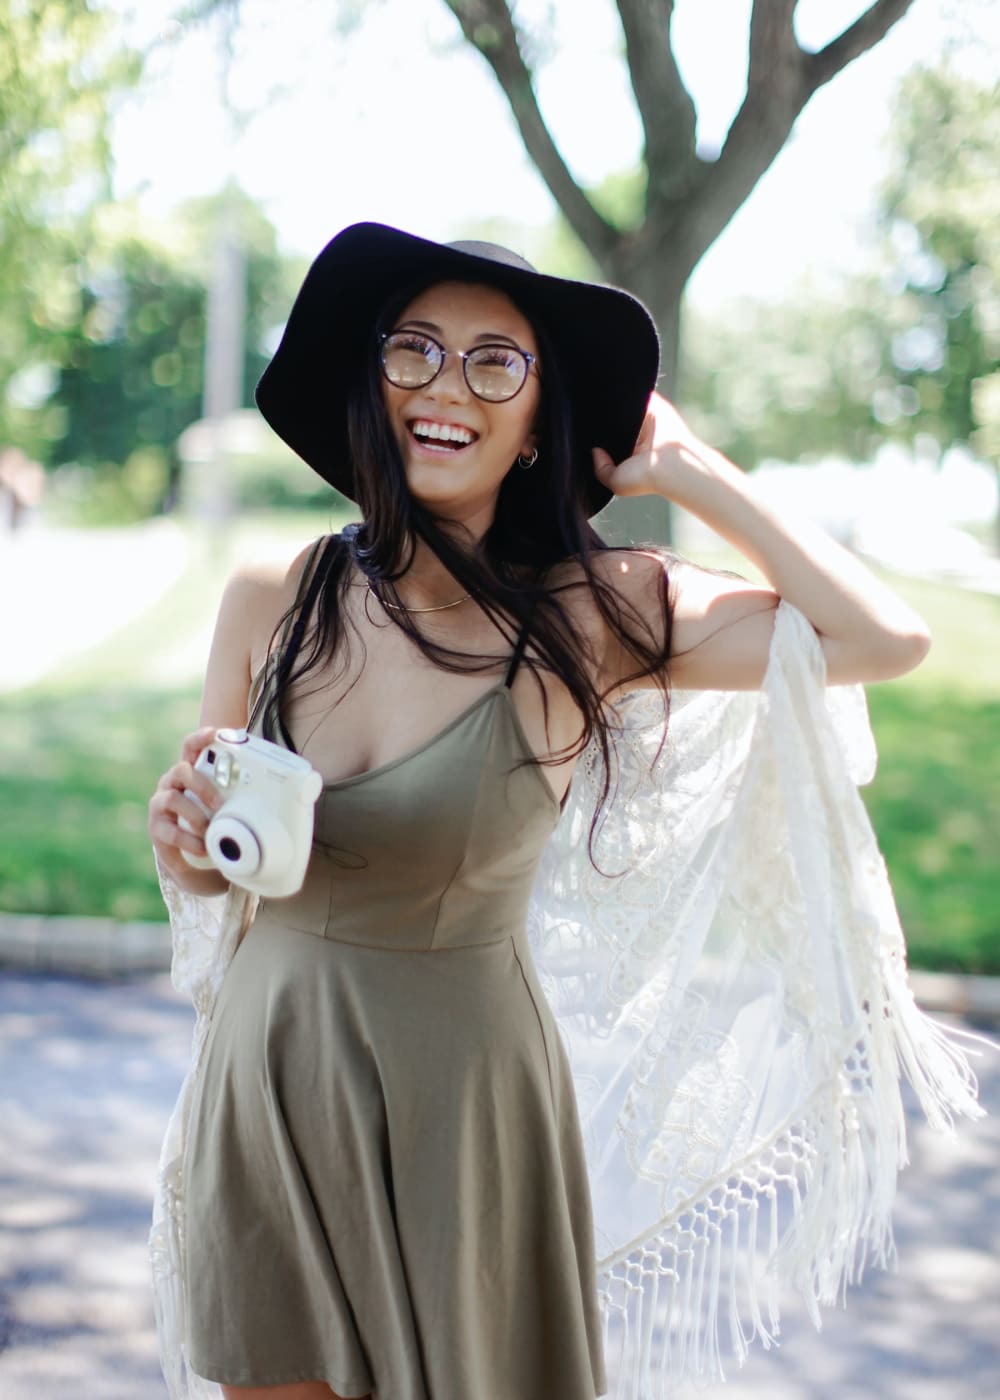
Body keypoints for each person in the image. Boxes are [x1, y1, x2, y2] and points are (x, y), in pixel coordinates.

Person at [147, 222, 982, 1400]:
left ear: (540, 421)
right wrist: (185, 842)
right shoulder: (272, 597)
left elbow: (877, 637)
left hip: (464, 1097)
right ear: (372, 380)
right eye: (416, 351)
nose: (447, 386)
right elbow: (220, 873)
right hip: (272, 1073)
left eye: (497, 361)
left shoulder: (588, 616)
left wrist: (687, 469)